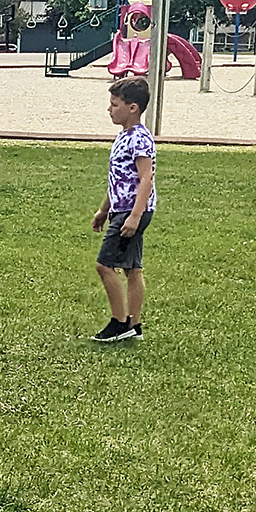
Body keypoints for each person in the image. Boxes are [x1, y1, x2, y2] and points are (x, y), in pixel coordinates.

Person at [91, 76, 155, 342]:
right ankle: (134, 324)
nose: (109, 109)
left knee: (104, 265)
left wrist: (135, 216)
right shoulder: (123, 136)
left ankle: (119, 323)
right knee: (132, 268)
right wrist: (104, 210)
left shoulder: (139, 139)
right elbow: (118, 178)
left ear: (133, 107)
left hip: (132, 211)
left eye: (115, 104)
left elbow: (145, 178)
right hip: (121, 209)